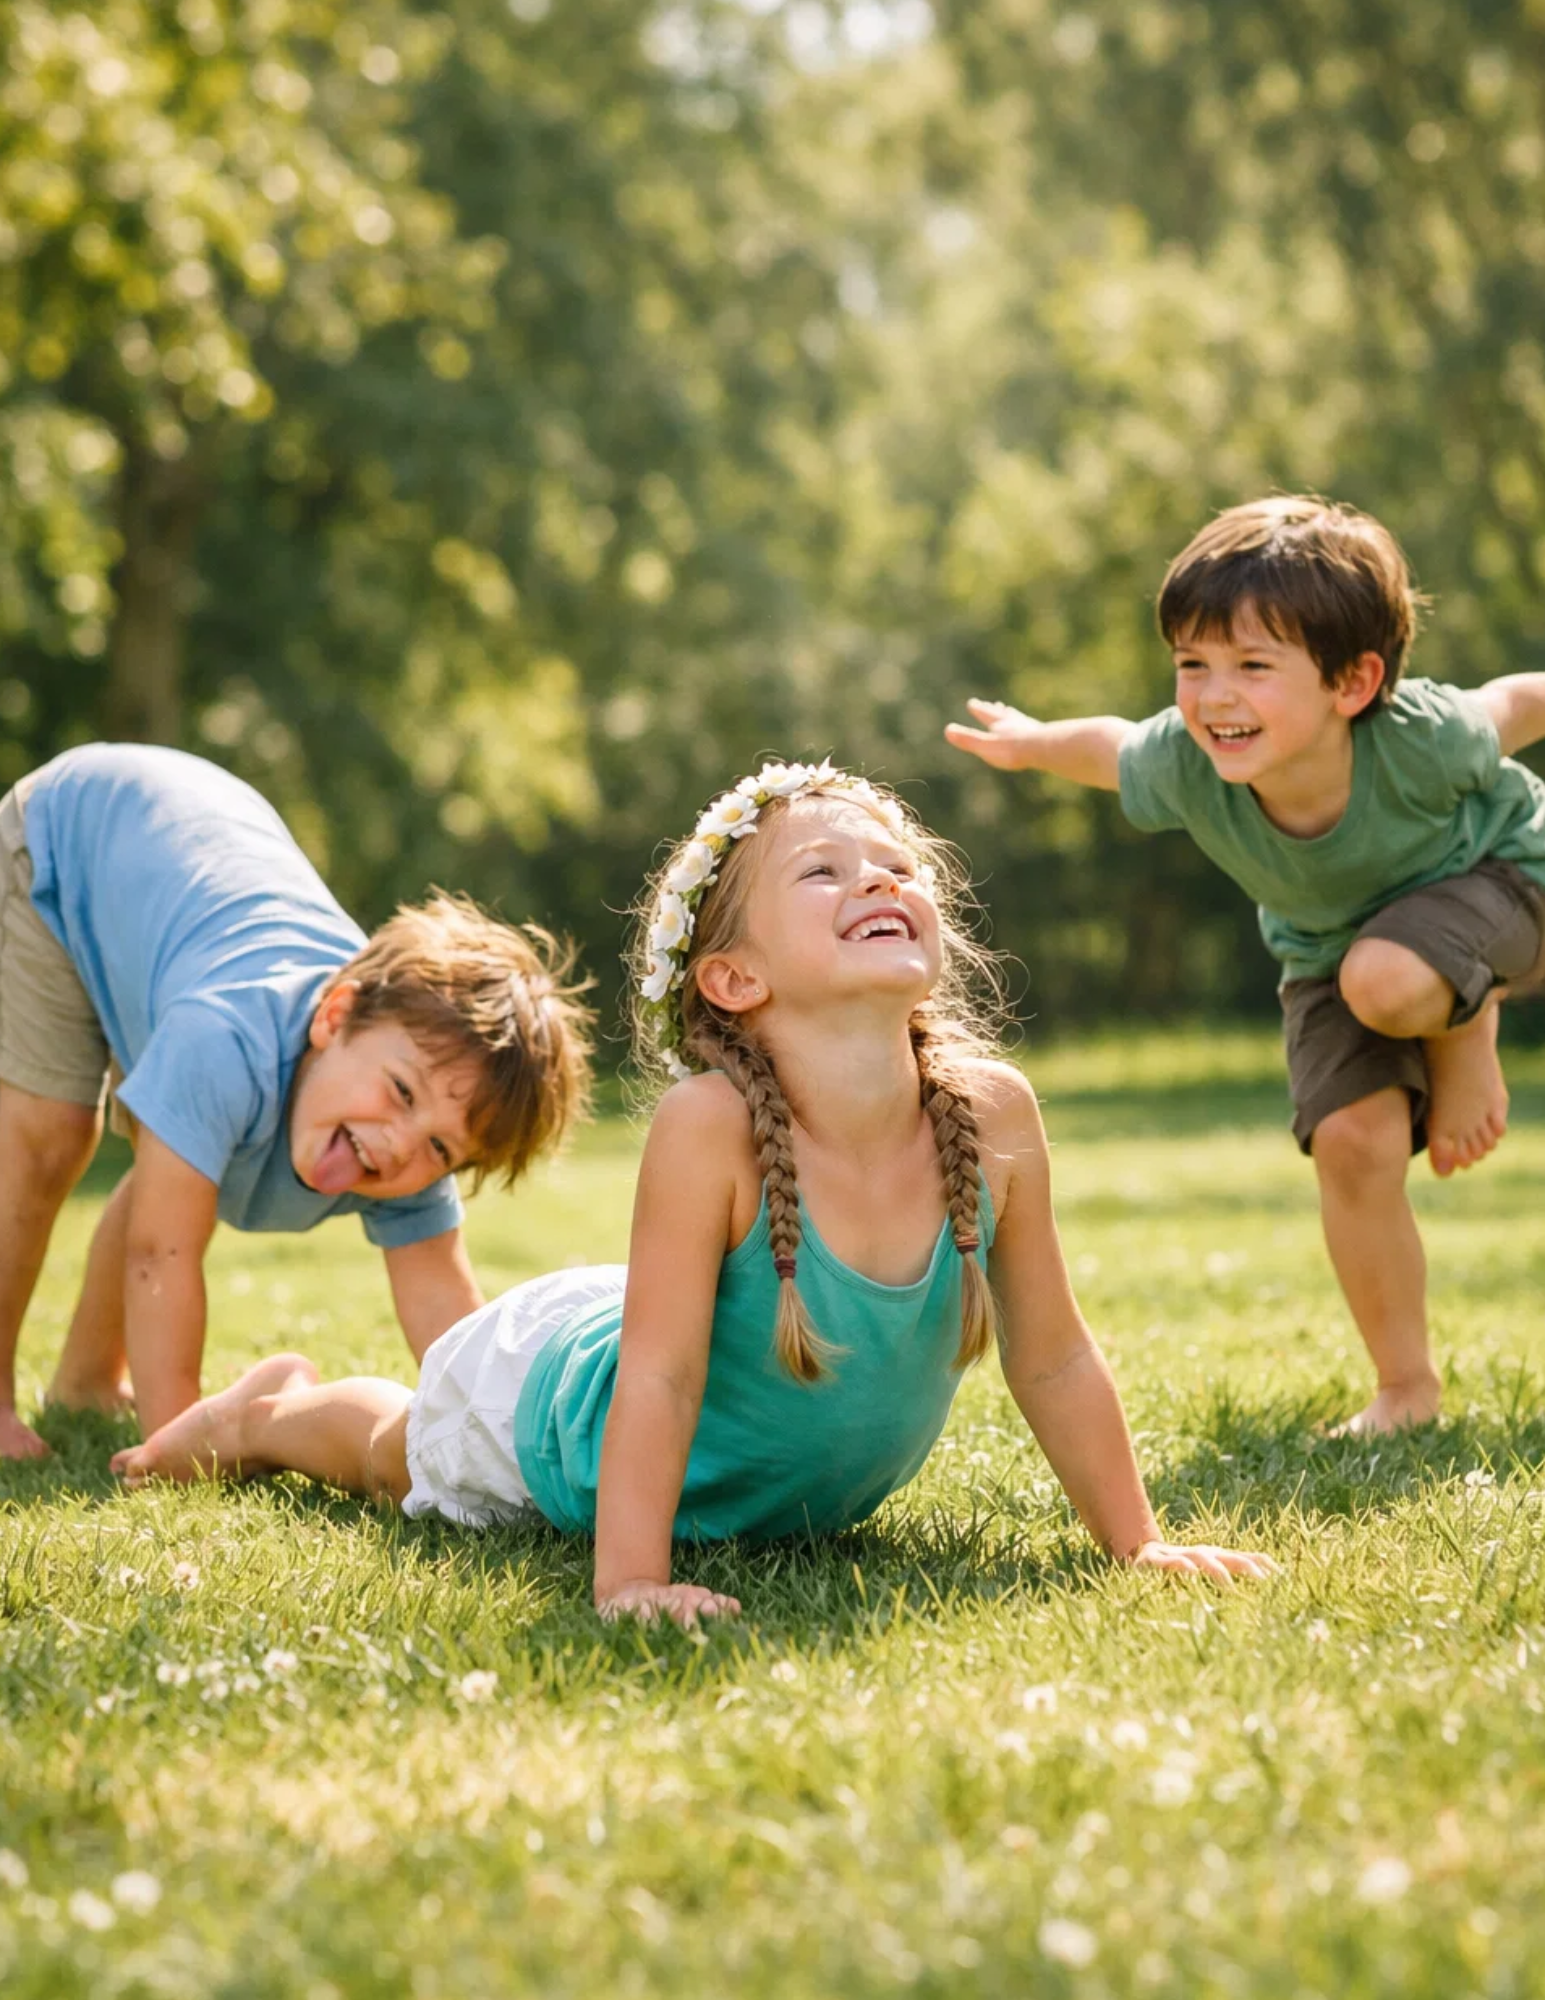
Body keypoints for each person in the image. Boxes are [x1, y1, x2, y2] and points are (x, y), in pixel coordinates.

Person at [111, 759, 1273, 1622]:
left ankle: (274, 1408)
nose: (875, 878)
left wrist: (1137, 1544)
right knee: (400, 1454)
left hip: (686, 1359)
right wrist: (631, 1579)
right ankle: (266, 1411)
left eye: (896, 866)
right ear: (734, 976)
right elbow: (659, 1373)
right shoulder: (707, 1127)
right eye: (825, 871)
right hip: (564, 1415)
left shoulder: (993, 1112)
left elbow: (1054, 1355)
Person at [946, 495, 1545, 1436]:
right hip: (1326, 949)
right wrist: (1029, 744)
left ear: (1351, 683)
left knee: (1386, 981)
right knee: (1351, 1145)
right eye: (1193, 664)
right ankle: (1405, 1387)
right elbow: (1108, 745)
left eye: (1252, 667)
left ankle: (1468, 1023)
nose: (1213, 695)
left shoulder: (1422, 738)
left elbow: (1516, 701)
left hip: (1502, 881)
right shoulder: (1187, 761)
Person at [0, 742, 592, 1461]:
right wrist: (177, 1442)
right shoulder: (225, 1041)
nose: (404, 1144)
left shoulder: (395, 1134)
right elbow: (159, 1255)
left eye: (442, 1148)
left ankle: (86, 1384)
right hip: (70, 842)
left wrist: (506, 1447)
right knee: (53, 1133)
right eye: (401, 1093)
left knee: (176, 1173)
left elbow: (445, 1311)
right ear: (334, 1017)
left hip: (172, 884)